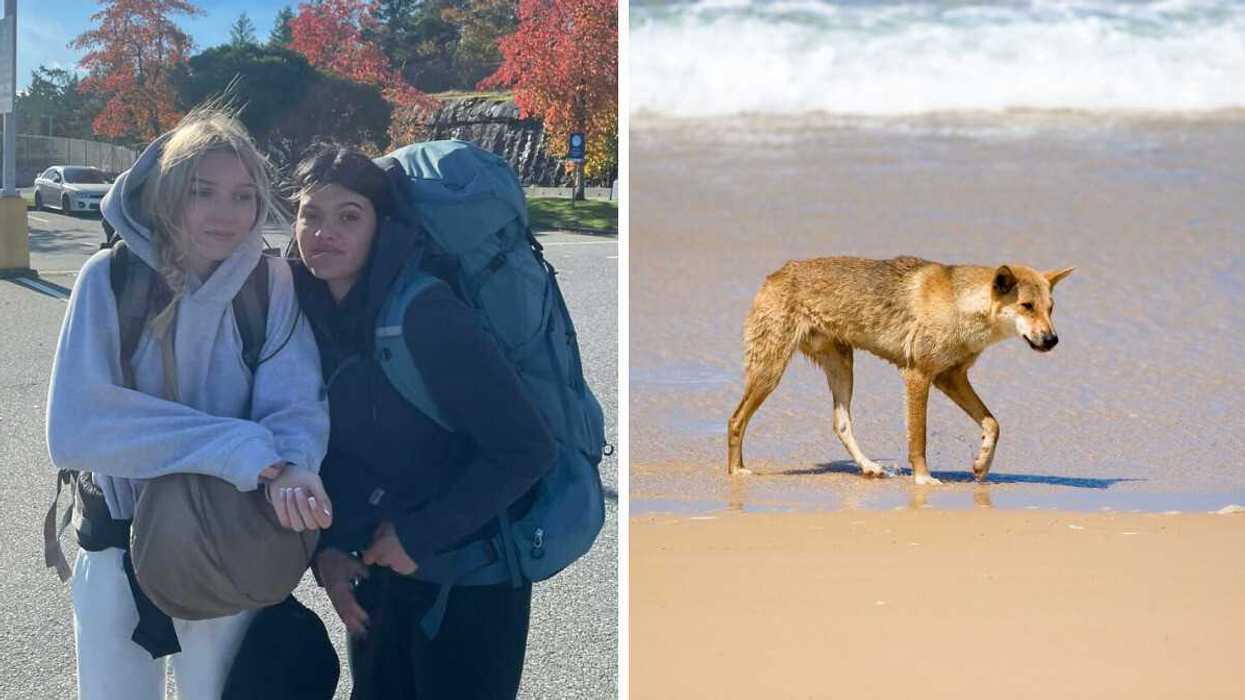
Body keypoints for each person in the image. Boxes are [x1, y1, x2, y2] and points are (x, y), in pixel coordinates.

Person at [46, 108, 332, 700]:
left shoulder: (269, 283)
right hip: (115, 545)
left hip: (226, 544)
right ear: (169, 192)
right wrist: (242, 448)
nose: (226, 214)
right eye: (203, 192)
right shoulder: (108, 278)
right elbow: (76, 426)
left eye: (243, 195)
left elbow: (296, 403)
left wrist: (295, 464)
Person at [288, 144, 556, 698]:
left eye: (348, 216)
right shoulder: (302, 315)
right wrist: (327, 552)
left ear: (381, 226)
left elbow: (526, 448)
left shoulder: (425, 314)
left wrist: (419, 535)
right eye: (310, 214)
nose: (324, 232)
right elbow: (325, 452)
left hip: (471, 583)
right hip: (379, 581)